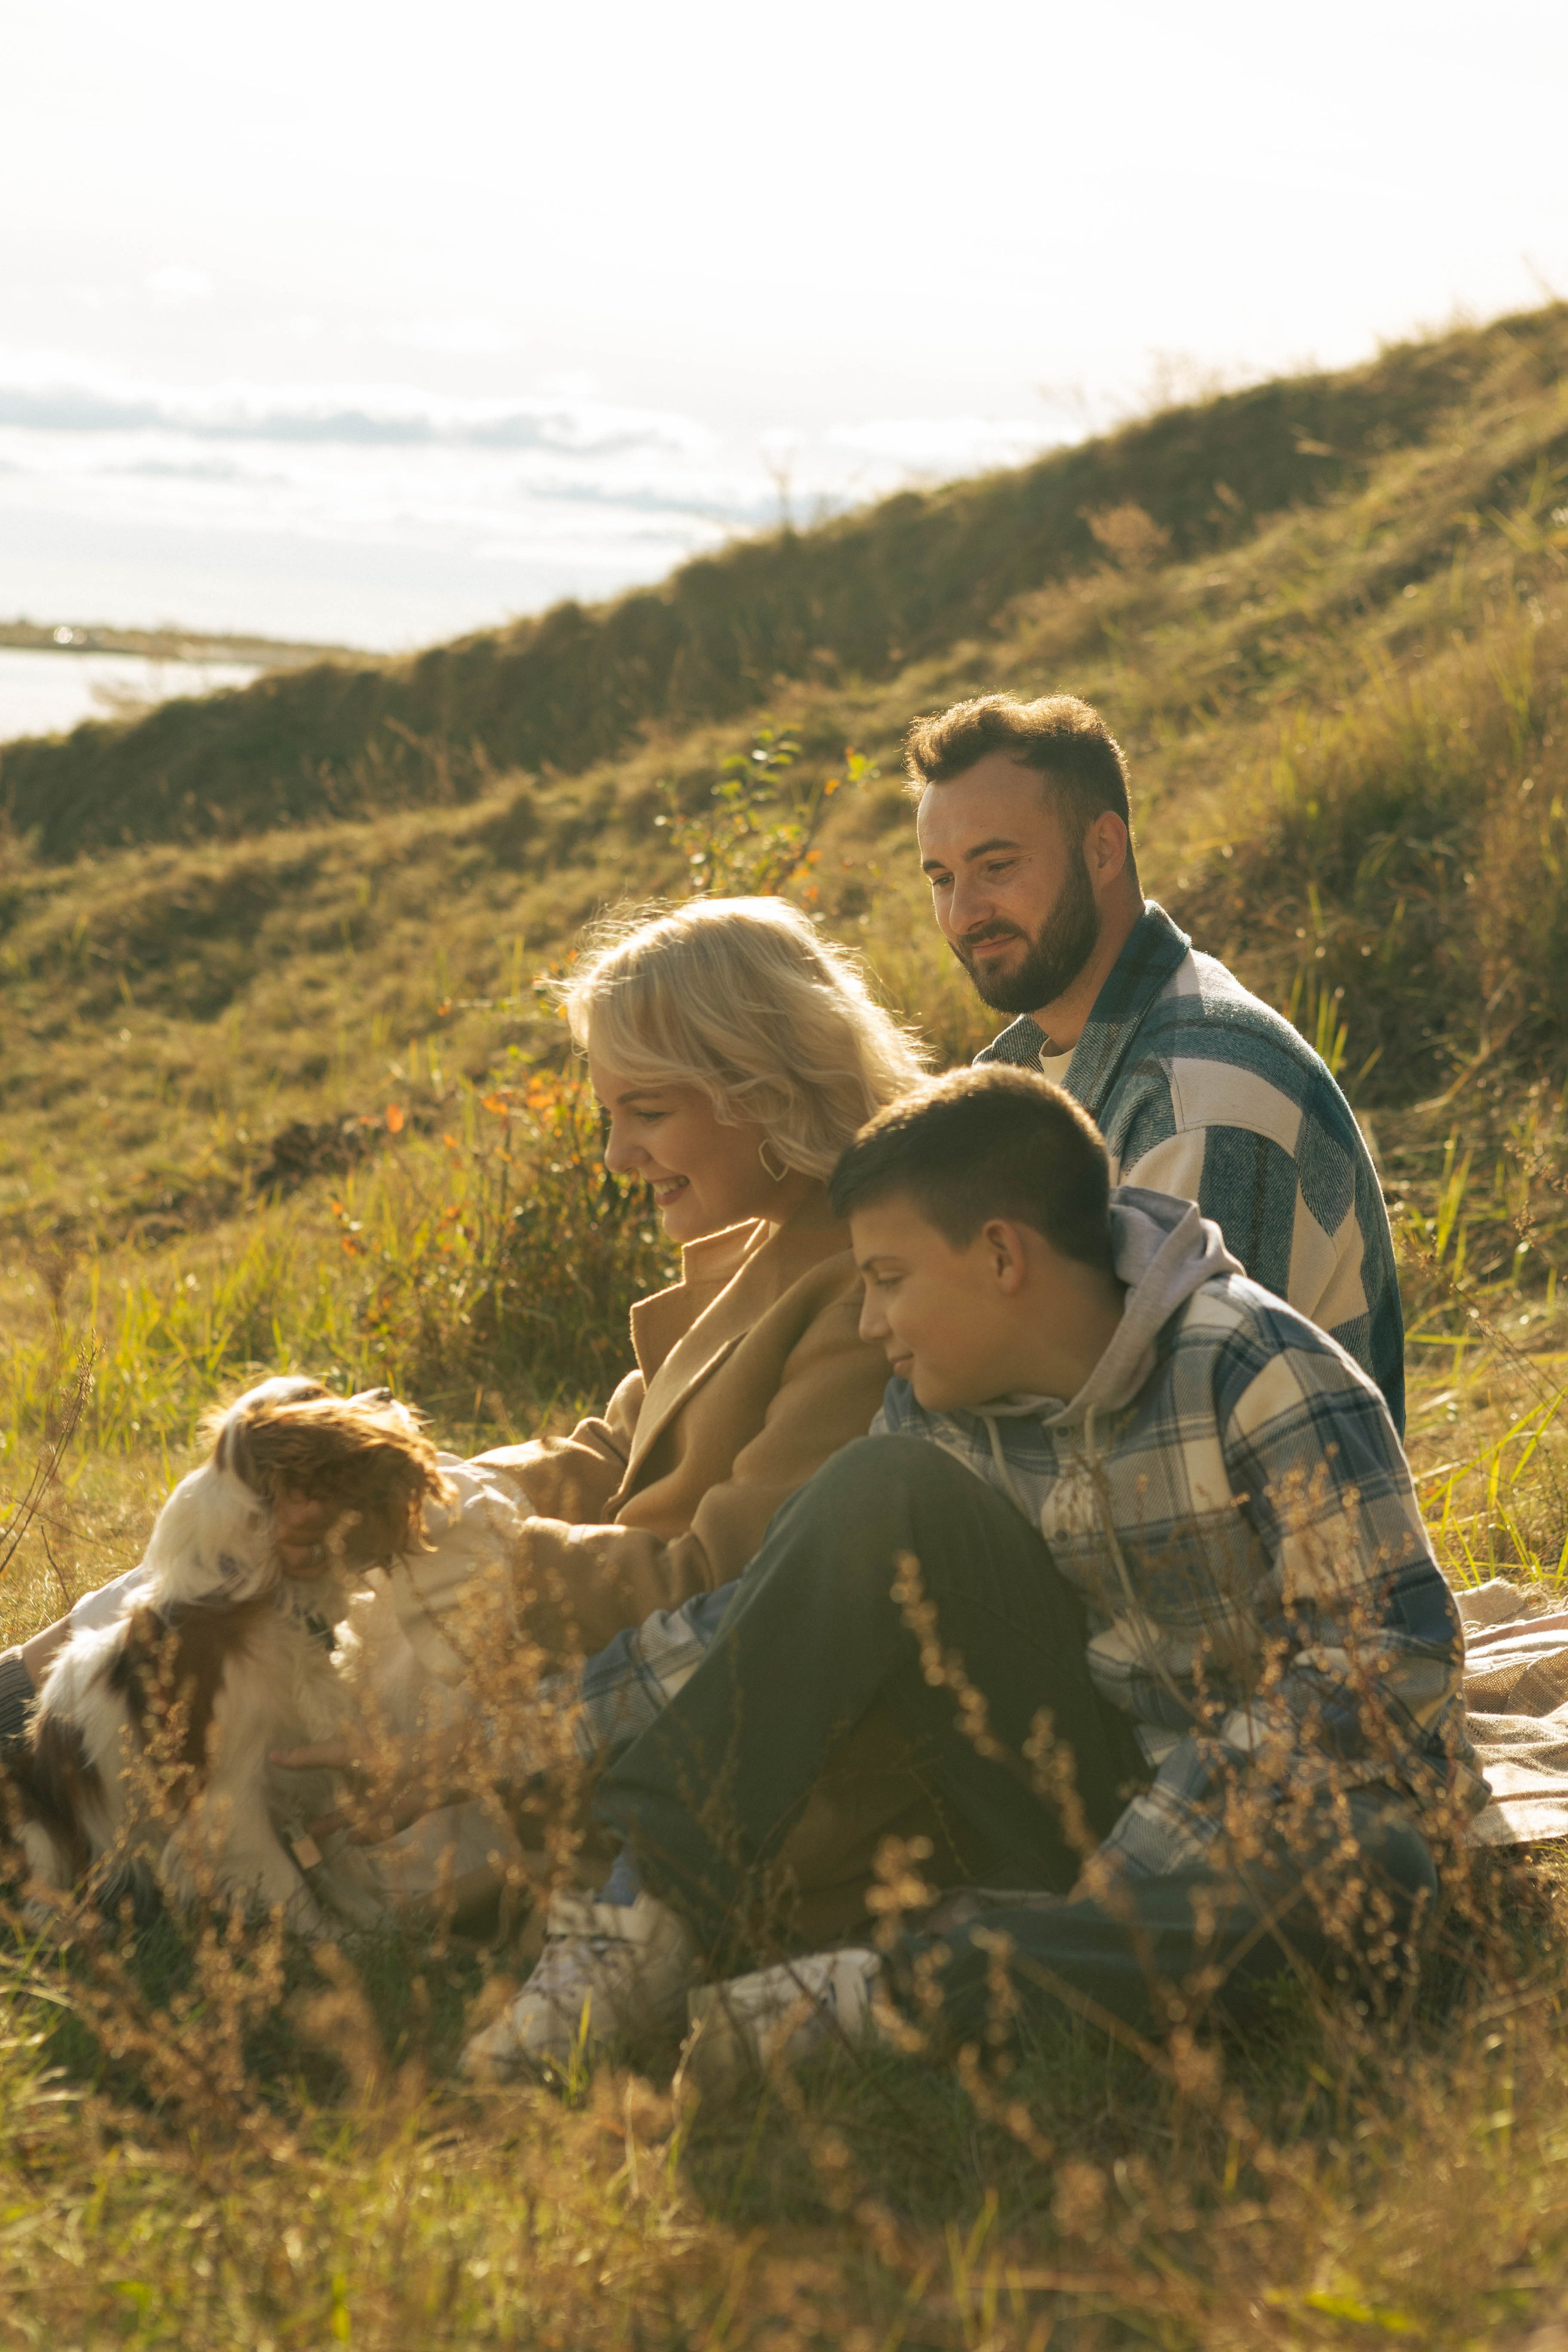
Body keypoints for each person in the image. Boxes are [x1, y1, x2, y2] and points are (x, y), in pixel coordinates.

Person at [463, 1066, 1477, 2080]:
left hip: (1263, 1824)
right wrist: (495, 1748)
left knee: (1378, 1876)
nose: (871, 1324)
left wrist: (1129, 1875)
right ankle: (638, 1933)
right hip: (1070, 1789)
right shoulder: (936, 1405)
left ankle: (874, 2002)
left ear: (1000, 1255)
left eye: (888, 1279)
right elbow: (755, 1621)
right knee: (875, 1485)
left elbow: (1383, 1668)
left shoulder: (1254, 1369)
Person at [0, 899, 930, 1768]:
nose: (616, 1156)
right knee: (260, 1516)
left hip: (624, 1707)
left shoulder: (867, 1296)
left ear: (767, 1086)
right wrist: (418, 1483)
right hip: (561, 1630)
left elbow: (723, 1583)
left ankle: (57, 1765)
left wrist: (453, 1537)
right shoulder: (761, 1247)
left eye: (649, 1113)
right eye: (611, 1116)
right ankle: (23, 1705)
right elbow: (616, 1453)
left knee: (260, 1646)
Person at [908, 692, 1405, 1430]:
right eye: (943, 879)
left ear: (1104, 848)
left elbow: (1181, 1440)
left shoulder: (1198, 1101)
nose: (963, 913)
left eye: (997, 865)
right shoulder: (1032, 1071)